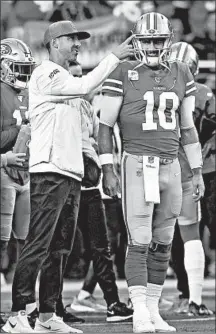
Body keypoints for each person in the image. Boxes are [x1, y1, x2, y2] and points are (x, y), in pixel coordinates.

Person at [2, 20, 133, 334]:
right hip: (49, 171)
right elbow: (85, 86)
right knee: (38, 245)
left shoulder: (63, 77)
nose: (77, 43)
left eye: (79, 39)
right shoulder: (46, 72)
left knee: (59, 248)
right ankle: (17, 315)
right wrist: (114, 57)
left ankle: (48, 315)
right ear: (53, 43)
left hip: (69, 172)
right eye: (71, 38)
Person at [98, 12, 204, 333]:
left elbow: (187, 128)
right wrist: (108, 168)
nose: (155, 46)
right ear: (137, 41)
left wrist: (196, 170)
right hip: (137, 162)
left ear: (169, 41)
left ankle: (154, 309)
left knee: (163, 240)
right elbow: (104, 128)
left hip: (171, 164)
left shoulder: (182, 71)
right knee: (139, 238)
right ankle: (139, 311)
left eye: (160, 40)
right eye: (148, 40)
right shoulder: (122, 71)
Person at [66, 60, 133, 321]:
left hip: (91, 184)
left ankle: (112, 303)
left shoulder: (86, 108)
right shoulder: (55, 105)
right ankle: (52, 306)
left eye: (80, 75)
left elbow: (98, 138)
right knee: (60, 247)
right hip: (66, 181)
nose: (78, 81)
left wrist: (103, 167)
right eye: (73, 76)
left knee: (103, 246)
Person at [168, 41, 215, 316]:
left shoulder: (201, 93)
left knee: (174, 236)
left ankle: (186, 296)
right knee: (182, 236)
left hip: (190, 169)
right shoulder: (201, 92)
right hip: (188, 169)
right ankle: (190, 296)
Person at [0, 37, 34, 281]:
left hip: (26, 174)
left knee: (26, 242)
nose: (23, 74)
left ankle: (23, 303)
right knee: (1, 242)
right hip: (3, 172)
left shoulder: (28, 93)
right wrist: (21, 129)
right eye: (18, 68)